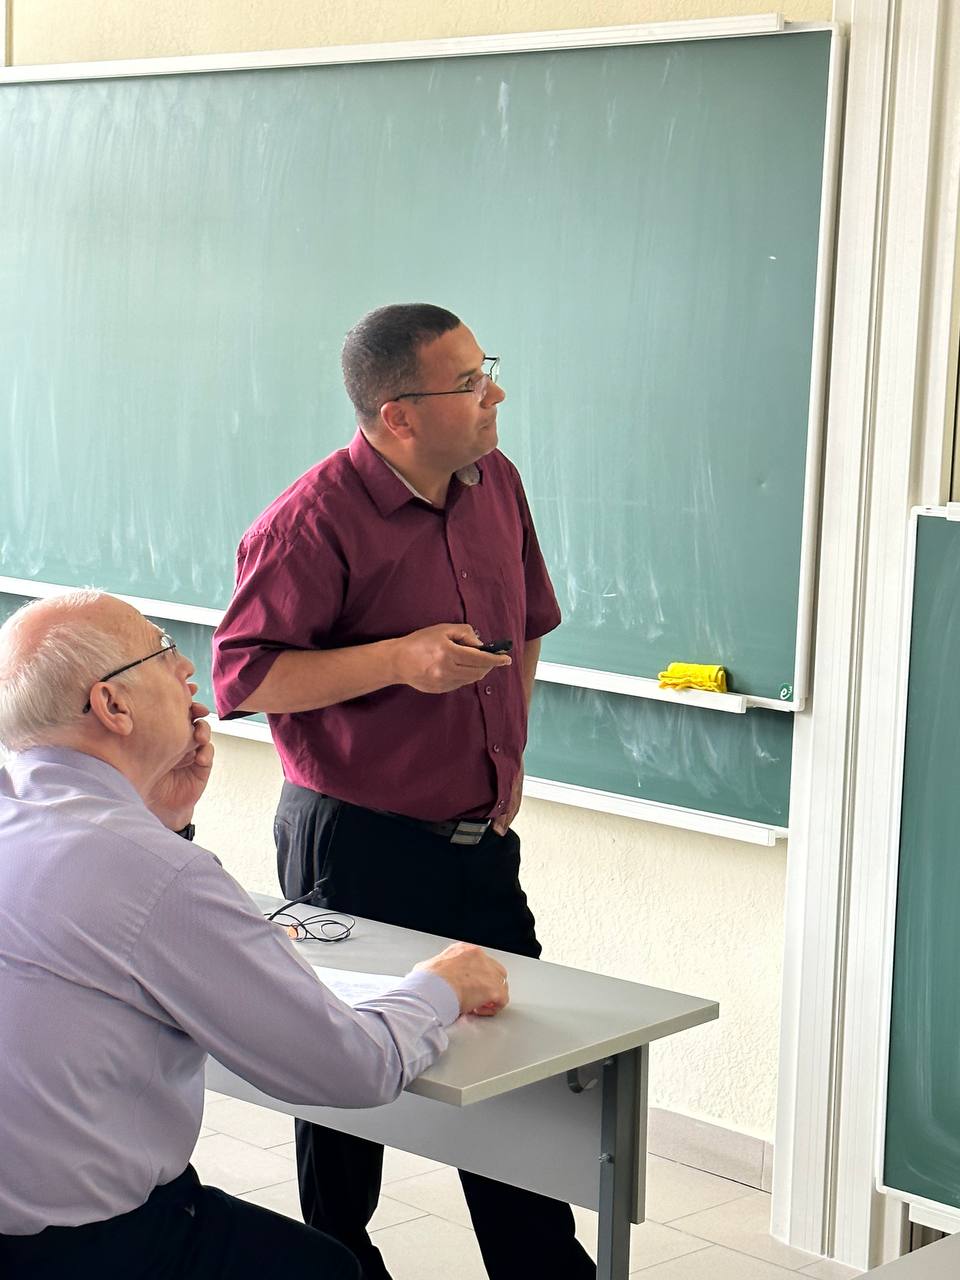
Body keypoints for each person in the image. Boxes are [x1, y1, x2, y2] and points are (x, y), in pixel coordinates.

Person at [212, 303, 594, 1279]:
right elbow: (243, 678)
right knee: (345, 1077)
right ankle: (340, 1262)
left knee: (515, 1066)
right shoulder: (312, 519)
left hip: (477, 840)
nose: (495, 393)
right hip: (355, 839)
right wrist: (396, 659)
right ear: (399, 416)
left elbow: (528, 622)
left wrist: (507, 753)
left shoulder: (496, 482)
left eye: (485, 368)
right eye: (468, 382)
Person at [0, 589, 510, 1280]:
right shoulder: (155, 873)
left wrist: (165, 822)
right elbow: (351, 1067)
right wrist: (440, 987)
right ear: (112, 706)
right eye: (162, 651)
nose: (189, 670)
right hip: (77, 1250)